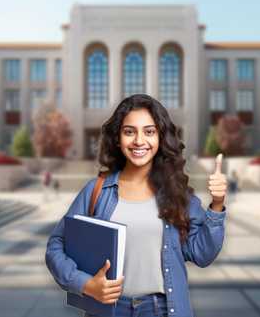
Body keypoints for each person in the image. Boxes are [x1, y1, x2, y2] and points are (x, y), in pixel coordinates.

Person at [45, 94, 228, 317]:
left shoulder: (177, 194)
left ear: (161, 137)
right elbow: (56, 245)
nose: (139, 141)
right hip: (109, 310)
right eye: (129, 131)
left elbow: (202, 253)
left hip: (161, 310)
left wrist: (217, 205)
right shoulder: (97, 191)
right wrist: (85, 284)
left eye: (149, 132)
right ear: (118, 138)